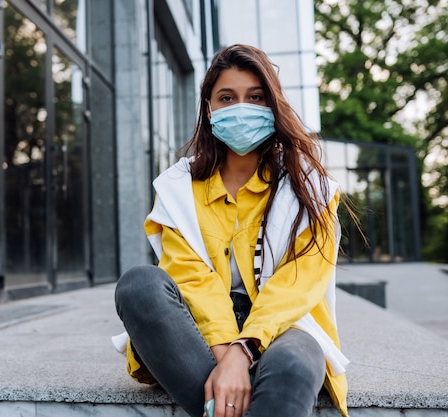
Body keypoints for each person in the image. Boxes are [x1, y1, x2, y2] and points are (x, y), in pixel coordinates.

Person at [114, 44, 350, 417]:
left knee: (293, 366)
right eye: (227, 97)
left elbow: (298, 283)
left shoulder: (311, 189)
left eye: (255, 97)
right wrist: (227, 356)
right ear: (209, 109)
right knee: (139, 285)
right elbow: (191, 278)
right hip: (198, 333)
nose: (242, 107)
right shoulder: (178, 187)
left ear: (273, 105)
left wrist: (245, 350)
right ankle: (234, 389)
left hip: (284, 326)